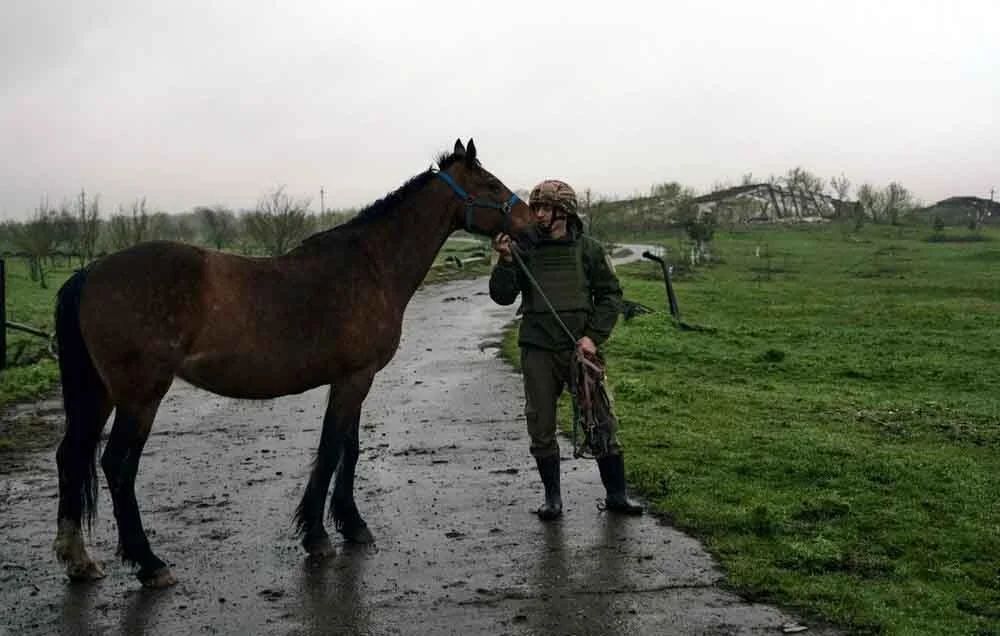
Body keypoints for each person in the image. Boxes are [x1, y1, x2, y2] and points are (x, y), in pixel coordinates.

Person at [489, 179, 643, 520]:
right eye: (536, 207)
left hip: (579, 351)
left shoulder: (588, 249)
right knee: (540, 425)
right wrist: (505, 261)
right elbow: (501, 296)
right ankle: (553, 499)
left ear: (564, 212)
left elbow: (610, 296)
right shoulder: (522, 248)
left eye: (545, 208)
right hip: (538, 350)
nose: (538, 214)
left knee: (600, 419)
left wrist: (593, 337)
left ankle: (617, 495)